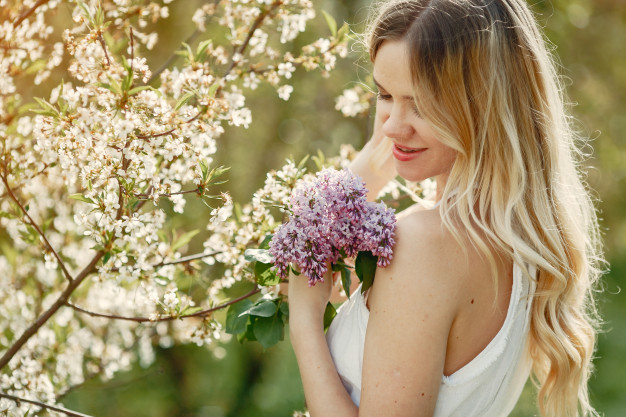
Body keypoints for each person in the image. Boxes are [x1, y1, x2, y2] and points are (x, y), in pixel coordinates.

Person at [287, 0, 604, 416]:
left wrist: (305, 320)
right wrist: (384, 156)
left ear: (483, 106)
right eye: (385, 93)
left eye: (421, 104)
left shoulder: (424, 245)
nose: (392, 125)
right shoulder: (524, 250)